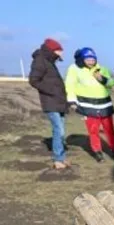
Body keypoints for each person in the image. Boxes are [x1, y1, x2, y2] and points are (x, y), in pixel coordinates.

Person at [65, 47, 114, 162]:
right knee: (93, 129)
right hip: (87, 104)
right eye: (88, 59)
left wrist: (103, 79)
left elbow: (113, 82)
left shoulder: (101, 68)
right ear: (82, 59)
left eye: (93, 59)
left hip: (104, 104)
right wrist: (72, 100)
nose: (91, 61)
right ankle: (97, 152)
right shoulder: (75, 69)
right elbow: (70, 84)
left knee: (109, 129)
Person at [28, 38, 70, 171]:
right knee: (59, 130)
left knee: (60, 130)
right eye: (59, 51)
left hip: (58, 101)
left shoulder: (50, 62)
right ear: (52, 50)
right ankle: (58, 159)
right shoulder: (40, 61)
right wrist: (52, 91)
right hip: (50, 101)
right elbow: (34, 80)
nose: (61, 54)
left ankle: (62, 157)